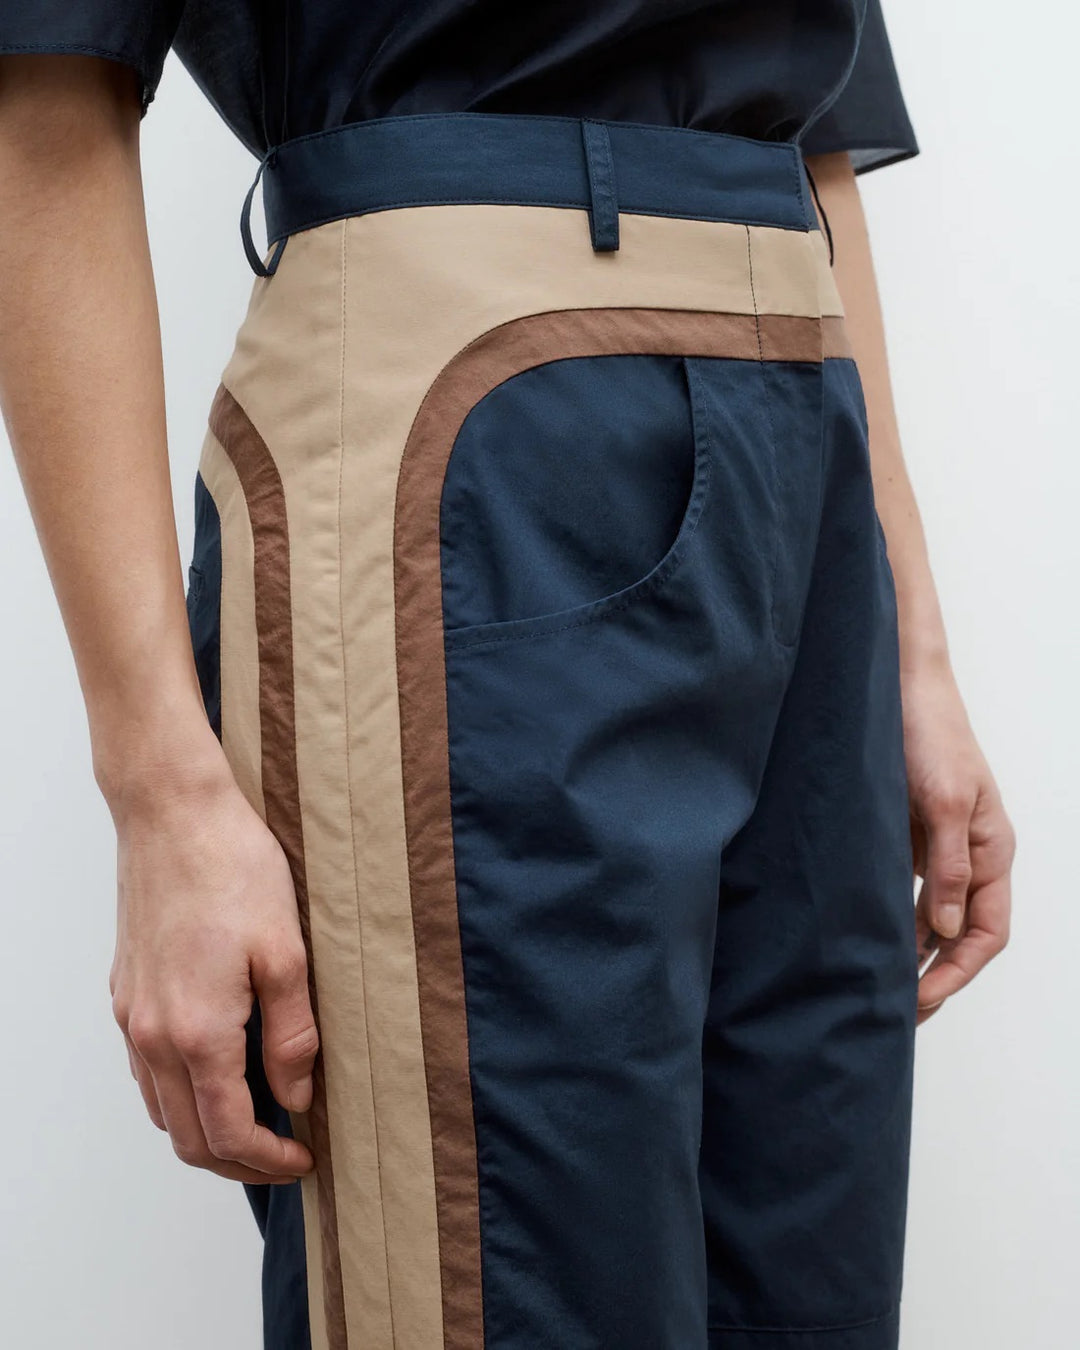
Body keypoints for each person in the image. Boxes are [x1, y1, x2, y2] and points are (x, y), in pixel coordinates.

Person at [0, 4, 1014, 1349]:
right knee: (502, 1293)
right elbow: (44, 98)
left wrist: (913, 650)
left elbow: (814, 135)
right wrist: (158, 793)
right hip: (465, 429)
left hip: (800, 424)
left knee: (808, 1297)